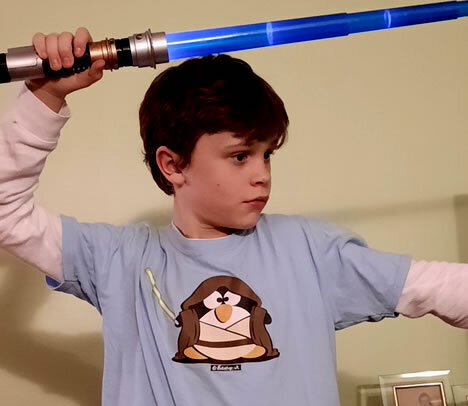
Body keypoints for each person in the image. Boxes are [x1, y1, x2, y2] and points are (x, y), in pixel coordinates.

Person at [0, 28, 466, 406]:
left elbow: (434, 286)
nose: (262, 174)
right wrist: (45, 98)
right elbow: (8, 215)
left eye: (267, 154)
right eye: (241, 156)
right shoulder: (118, 260)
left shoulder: (309, 250)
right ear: (173, 165)